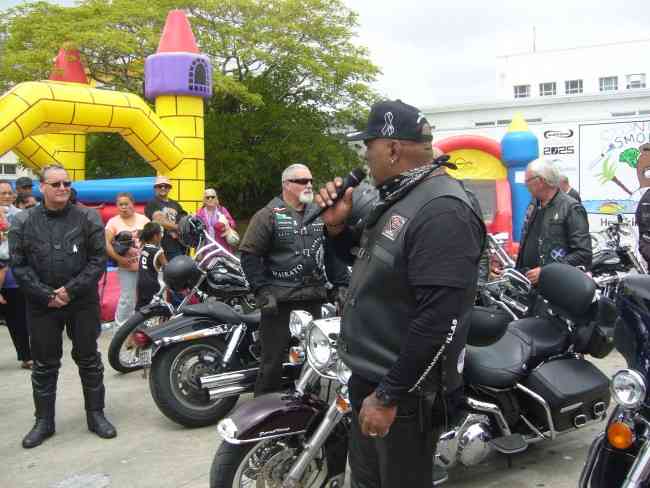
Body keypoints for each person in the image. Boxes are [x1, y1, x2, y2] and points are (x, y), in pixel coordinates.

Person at [315, 100, 486, 488]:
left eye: (368, 147)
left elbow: (440, 319)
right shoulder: (398, 196)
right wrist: (337, 229)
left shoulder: (443, 209)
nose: (364, 158)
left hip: (405, 394)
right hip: (371, 378)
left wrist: (389, 395)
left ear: (392, 149)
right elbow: (365, 264)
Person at [10, 164, 116, 449]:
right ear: (41, 187)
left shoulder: (88, 217)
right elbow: (18, 265)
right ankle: (44, 421)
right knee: (44, 364)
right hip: (41, 304)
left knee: (89, 359)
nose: (62, 189)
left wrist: (69, 291)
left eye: (66, 184)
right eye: (55, 184)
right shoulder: (22, 221)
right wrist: (46, 294)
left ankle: (96, 415)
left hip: (81, 301)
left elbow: (98, 261)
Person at [240, 163, 350, 396]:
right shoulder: (268, 215)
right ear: (286, 185)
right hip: (279, 304)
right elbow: (250, 255)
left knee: (314, 363)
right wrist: (261, 291)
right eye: (301, 181)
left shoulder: (321, 214)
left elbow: (332, 253)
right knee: (271, 364)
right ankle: (263, 417)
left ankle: (308, 417)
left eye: (310, 180)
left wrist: (340, 284)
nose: (309, 185)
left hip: (313, 299)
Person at [516, 159, 592, 285]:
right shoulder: (534, 204)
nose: (525, 185)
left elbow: (583, 254)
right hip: (528, 283)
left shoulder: (571, 208)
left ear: (540, 181)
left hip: (556, 286)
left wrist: (547, 271)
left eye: (527, 181)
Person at [105, 192, 149, 326]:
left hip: (145, 266)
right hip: (126, 268)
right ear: (117, 206)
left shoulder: (144, 220)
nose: (124, 207)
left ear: (132, 204)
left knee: (146, 297)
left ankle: (144, 328)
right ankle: (121, 329)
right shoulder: (113, 222)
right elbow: (106, 243)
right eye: (120, 204)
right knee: (127, 299)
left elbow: (154, 240)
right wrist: (119, 258)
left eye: (126, 204)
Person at [144, 176, 187, 260]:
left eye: (166, 186)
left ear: (169, 188)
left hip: (178, 244)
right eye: (160, 186)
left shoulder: (176, 204)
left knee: (179, 270)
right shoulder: (152, 203)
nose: (163, 188)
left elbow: (184, 220)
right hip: (160, 246)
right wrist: (178, 228)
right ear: (155, 188)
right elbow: (160, 221)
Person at [195, 188, 238, 252]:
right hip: (206, 249)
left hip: (222, 248)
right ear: (204, 200)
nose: (210, 199)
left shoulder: (222, 210)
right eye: (207, 197)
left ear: (216, 199)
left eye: (213, 197)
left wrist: (227, 225)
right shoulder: (199, 213)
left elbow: (233, 223)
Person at [136, 222, 167, 309]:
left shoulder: (143, 247)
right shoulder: (158, 252)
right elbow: (168, 268)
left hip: (141, 283)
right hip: (154, 284)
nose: (162, 236)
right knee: (157, 310)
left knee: (141, 308)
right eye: (160, 233)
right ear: (155, 236)